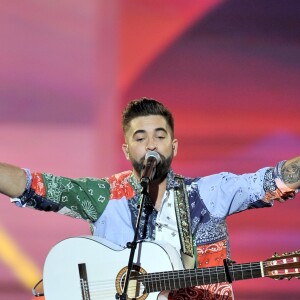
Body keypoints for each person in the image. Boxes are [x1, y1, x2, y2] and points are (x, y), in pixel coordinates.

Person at [0, 97, 299, 300]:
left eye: (160, 135)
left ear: (174, 145)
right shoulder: (105, 197)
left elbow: (272, 180)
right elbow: (37, 186)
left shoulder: (209, 193)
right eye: (140, 138)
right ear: (127, 150)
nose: (151, 144)